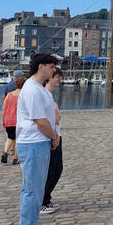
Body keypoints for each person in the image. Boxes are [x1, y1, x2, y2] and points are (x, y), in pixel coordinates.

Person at [15, 54, 60, 225]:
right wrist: (54, 136)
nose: (54, 70)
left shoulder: (37, 88)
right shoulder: (32, 90)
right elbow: (40, 121)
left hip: (38, 142)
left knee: (34, 188)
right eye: (51, 66)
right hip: (33, 143)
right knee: (32, 190)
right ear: (41, 67)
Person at [41, 67, 64, 215]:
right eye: (57, 77)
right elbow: (52, 119)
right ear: (50, 78)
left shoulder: (49, 96)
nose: (59, 80)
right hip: (52, 136)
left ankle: (46, 198)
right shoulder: (45, 95)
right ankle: (42, 200)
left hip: (57, 135)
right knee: (51, 170)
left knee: (57, 169)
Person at [1, 75, 25, 165]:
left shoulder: (9, 95)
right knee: (18, 139)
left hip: (8, 119)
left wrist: (4, 118)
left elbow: (4, 108)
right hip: (18, 120)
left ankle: (5, 152)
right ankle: (15, 158)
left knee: (10, 137)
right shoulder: (24, 95)